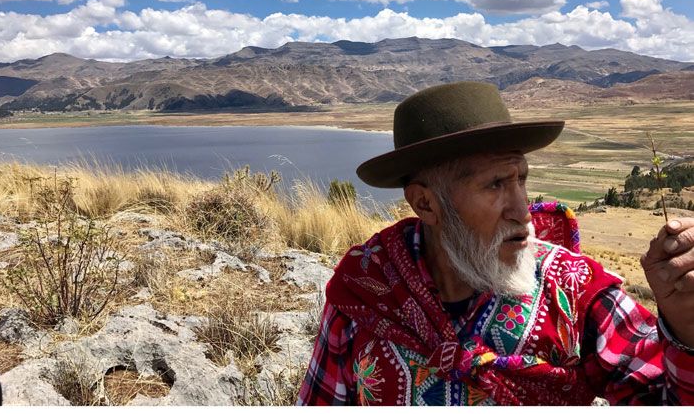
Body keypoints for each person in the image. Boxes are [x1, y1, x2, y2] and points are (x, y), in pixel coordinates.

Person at [297, 81, 694, 406]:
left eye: (520, 179)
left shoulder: (575, 290)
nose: (523, 210)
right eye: (495, 185)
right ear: (425, 203)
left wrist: (685, 328)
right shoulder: (365, 289)